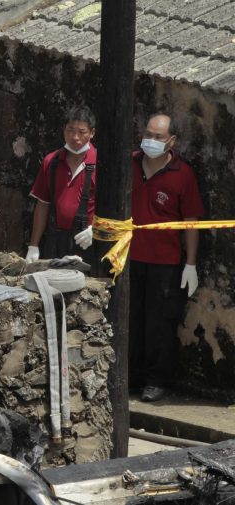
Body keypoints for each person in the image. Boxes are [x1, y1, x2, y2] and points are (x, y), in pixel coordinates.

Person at [129, 113, 204, 402]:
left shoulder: (182, 174)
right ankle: (130, 376)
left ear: (171, 141)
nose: (151, 141)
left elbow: (192, 222)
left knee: (159, 324)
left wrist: (191, 264)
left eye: (158, 137)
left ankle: (156, 380)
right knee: (131, 320)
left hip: (166, 263)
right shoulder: (131, 163)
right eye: (148, 134)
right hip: (130, 257)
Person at [26, 106, 97, 262]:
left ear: (91, 133)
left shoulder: (101, 164)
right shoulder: (51, 161)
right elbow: (43, 204)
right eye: (70, 130)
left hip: (87, 241)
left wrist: (98, 229)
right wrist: (33, 245)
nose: (75, 137)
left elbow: (112, 208)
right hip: (55, 239)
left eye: (81, 132)